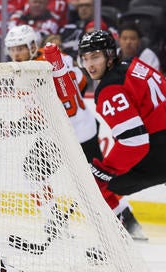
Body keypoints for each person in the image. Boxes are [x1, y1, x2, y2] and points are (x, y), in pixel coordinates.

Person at [78, 30, 166, 240]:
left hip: (160, 152)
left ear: (109, 56)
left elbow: (134, 142)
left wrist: (104, 170)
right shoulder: (133, 65)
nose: (90, 65)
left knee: (94, 186)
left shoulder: (110, 88)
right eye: (86, 58)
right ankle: (131, 230)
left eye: (96, 56)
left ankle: (115, 244)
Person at [5, 24, 102, 164]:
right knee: (95, 178)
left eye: (20, 48)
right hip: (86, 125)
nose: (16, 54)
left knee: (33, 175)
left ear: (32, 46)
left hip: (64, 134)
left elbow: (36, 119)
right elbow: (82, 81)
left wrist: (10, 129)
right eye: (12, 49)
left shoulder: (30, 74)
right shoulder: (61, 57)